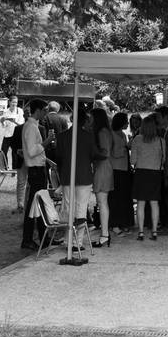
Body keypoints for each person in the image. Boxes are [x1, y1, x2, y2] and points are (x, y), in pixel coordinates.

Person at [55, 106, 97, 251]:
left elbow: (58, 158)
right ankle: (77, 242)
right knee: (81, 208)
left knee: (68, 208)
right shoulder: (89, 136)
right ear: (84, 120)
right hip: (84, 175)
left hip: (67, 176)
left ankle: (68, 240)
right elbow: (94, 154)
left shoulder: (61, 136)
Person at [21, 99, 55, 251]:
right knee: (34, 205)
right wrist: (46, 142)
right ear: (38, 110)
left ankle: (44, 236)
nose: (46, 113)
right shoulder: (30, 127)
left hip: (38, 167)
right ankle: (28, 239)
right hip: (35, 170)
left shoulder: (33, 126)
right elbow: (31, 151)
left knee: (40, 203)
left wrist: (48, 160)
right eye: (44, 110)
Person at [131, 115, 164, 241]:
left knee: (141, 203)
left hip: (141, 173)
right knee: (154, 203)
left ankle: (140, 232)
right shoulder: (161, 141)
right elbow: (164, 159)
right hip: (155, 173)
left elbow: (133, 160)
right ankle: (154, 231)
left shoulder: (137, 140)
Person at [90, 107, 114, 247]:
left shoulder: (102, 132)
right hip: (102, 167)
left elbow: (105, 153)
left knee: (102, 202)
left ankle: (105, 234)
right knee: (102, 202)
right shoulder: (104, 131)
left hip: (102, 167)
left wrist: (92, 154)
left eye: (92, 118)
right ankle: (104, 234)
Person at [108, 112, 134, 235]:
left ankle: (124, 222)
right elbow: (114, 153)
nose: (128, 123)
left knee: (124, 197)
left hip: (125, 168)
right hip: (115, 169)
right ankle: (114, 223)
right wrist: (126, 147)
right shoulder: (112, 135)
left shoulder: (123, 134)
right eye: (126, 121)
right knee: (115, 198)